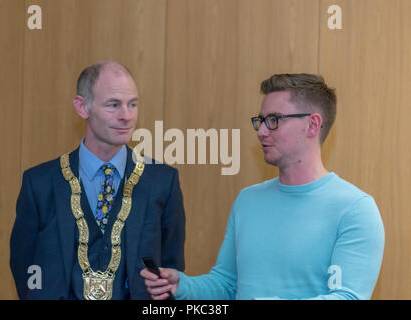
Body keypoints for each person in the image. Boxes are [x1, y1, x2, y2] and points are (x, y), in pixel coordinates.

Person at [141, 73, 385, 300]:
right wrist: (181, 286)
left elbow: (347, 296)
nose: (261, 131)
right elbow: (226, 284)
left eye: (274, 120)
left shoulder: (355, 209)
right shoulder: (248, 201)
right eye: (261, 120)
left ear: (312, 125)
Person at [10, 60, 186, 300]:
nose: (126, 116)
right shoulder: (39, 183)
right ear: (82, 107)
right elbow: (25, 266)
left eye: (132, 104)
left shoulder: (162, 181)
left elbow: (171, 267)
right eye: (113, 105)